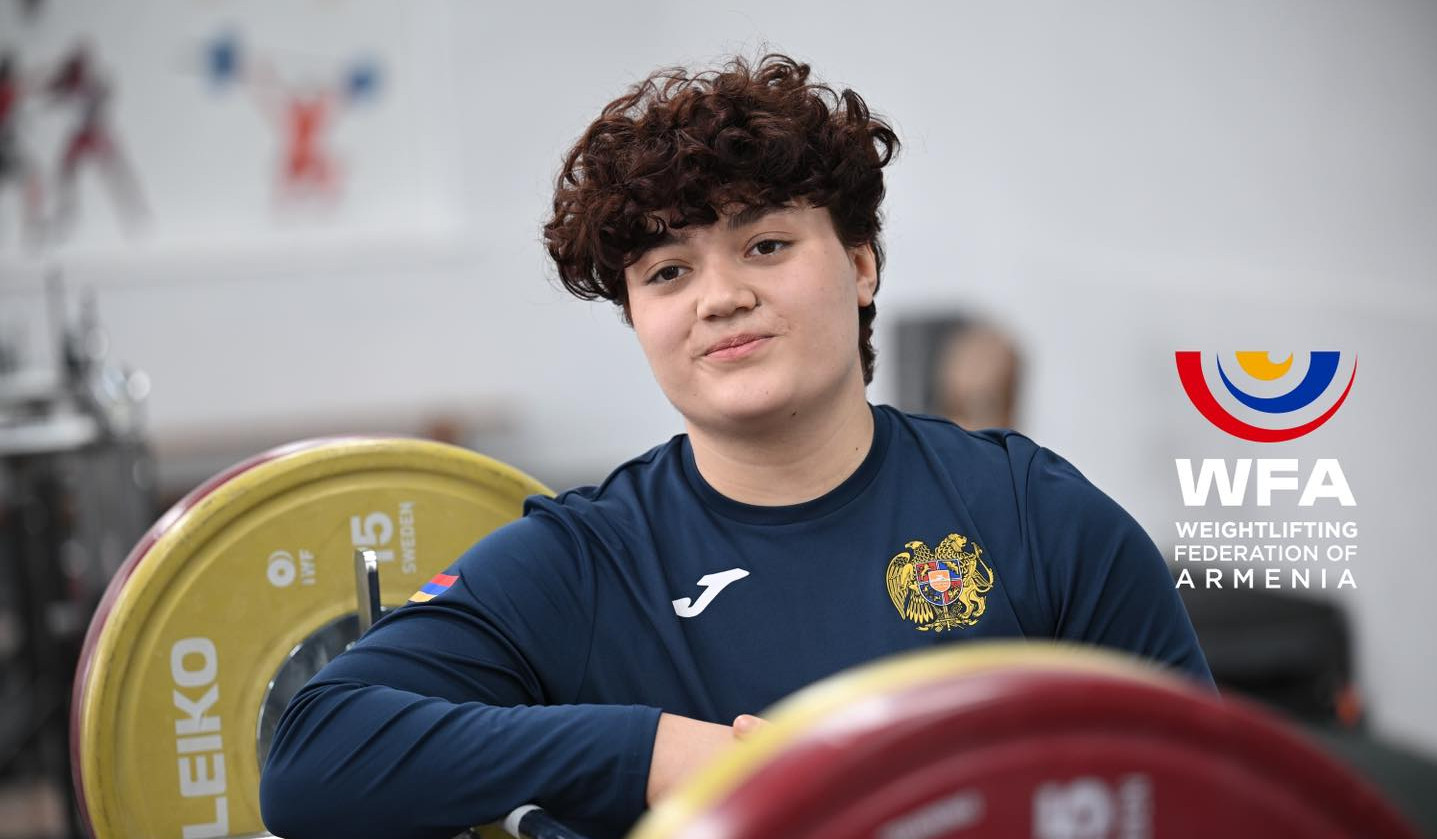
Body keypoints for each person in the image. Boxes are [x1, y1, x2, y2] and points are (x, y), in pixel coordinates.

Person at [260, 53, 1212, 839]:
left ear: (862, 264)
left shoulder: (1029, 514)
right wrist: (655, 754)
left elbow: (1210, 793)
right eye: (668, 271)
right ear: (637, 317)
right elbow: (311, 757)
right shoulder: (585, 564)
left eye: (765, 246)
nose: (720, 298)